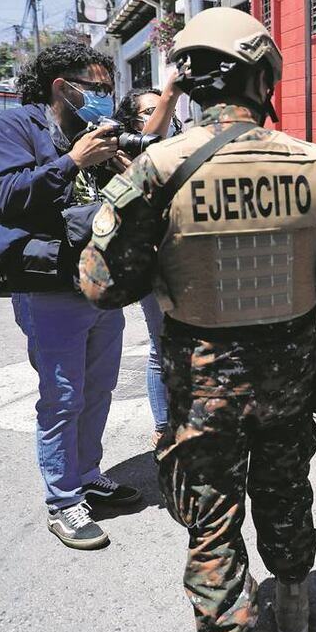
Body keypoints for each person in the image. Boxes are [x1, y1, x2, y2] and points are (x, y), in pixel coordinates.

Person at [79, 8, 316, 632]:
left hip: (202, 387)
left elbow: (102, 285)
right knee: (285, 493)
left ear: (190, 84)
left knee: (212, 515)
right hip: (291, 382)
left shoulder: (159, 168)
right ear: (263, 77)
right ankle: (296, 606)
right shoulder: (313, 164)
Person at [0, 42, 140, 551]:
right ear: (61, 87)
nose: (101, 98)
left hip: (100, 282)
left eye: (106, 90)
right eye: (93, 88)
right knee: (63, 396)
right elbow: (7, 197)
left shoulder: (93, 134)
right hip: (47, 284)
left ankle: (88, 474)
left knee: (99, 389)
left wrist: (124, 168)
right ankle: (63, 502)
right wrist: (72, 161)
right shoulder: (13, 127)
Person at [112, 79, 184, 446]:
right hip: (155, 265)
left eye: (166, 108)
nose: (164, 116)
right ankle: (163, 427)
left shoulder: (185, 147)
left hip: (191, 261)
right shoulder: (126, 156)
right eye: (151, 111)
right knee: (162, 348)